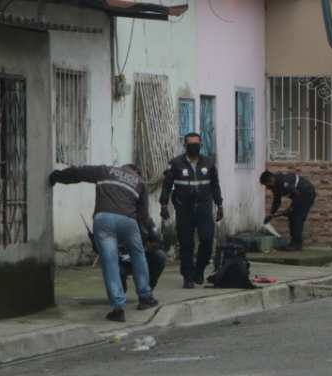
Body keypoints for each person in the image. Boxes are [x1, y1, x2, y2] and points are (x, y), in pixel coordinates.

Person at [50, 163, 156, 322]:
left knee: (109, 263)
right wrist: (147, 233)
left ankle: (118, 309)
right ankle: (145, 297)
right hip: (129, 221)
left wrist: (56, 177)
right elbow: (143, 215)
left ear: (121, 168)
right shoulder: (139, 181)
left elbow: (79, 172)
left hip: (103, 219)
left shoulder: (105, 171)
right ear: (134, 171)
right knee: (138, 255)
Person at [160, 132, 224, 288]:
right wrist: (163, 205)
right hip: (184, 208)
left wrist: (220, 205)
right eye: (191, 144)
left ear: (201, 146)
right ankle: (188, 276)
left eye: (197, 144)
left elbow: (215, 186)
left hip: (204, 208)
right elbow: (167, 185)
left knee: (207, 240)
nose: (194, 147)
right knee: (186, 244)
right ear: (185, 146)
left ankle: (199, 269)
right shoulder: (175, 163)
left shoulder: (208, 163)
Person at [261, 170, 318, 252]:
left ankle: (297, 245)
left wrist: (290, 208)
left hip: (307, 194)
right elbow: (277, 201)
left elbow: (297, 195)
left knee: (296, 218)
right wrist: (271, 214)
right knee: (292, 217)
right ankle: (294, 243)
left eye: (267, 185)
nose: (267, 187)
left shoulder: (284, 182)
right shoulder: (276, 185)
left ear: (271, 180)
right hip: (299, 196)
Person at [118, 216, 167, 293]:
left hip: (142, 256)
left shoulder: (146, 220)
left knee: (160, 255)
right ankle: (119, 292)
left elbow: (158, 241)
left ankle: (148, 288)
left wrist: (144, 249)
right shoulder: (116, 220)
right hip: (123, 260)